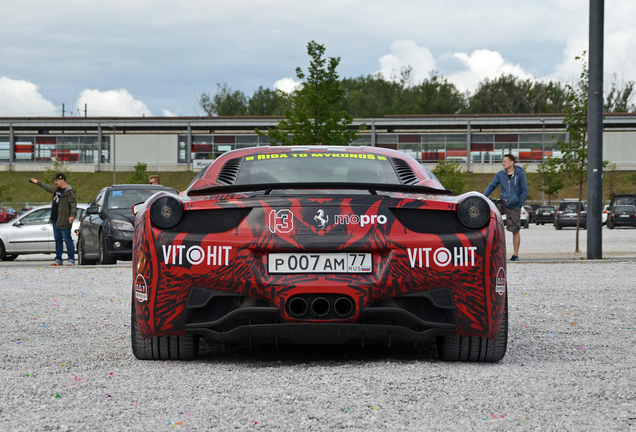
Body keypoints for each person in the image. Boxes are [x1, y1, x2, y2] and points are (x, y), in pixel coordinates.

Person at [483, 154, 528, 262]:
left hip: (514, 205)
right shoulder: (500, 174)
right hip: (503, 202)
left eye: (505, 161)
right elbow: (492, 185)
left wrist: (519, 204)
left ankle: (515, 255)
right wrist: (483, 197)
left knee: (515, 230)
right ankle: (491, 251)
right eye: (503, 161)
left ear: (512, 162)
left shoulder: (520, 174)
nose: (503, 163)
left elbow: (524, 190)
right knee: (489, 216)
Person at [30, 173, 78, 266]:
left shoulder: (69, 191)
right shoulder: (56, 190)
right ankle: (58, 259)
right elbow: (47, 187)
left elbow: (73, 205)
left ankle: (71, 259)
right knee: (57, 239)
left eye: (57, 180)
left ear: (62, 180)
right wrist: (38, 182)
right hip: (55, 218)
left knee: (67, 239)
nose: (55, 182)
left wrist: (72, 215)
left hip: (64, 219)